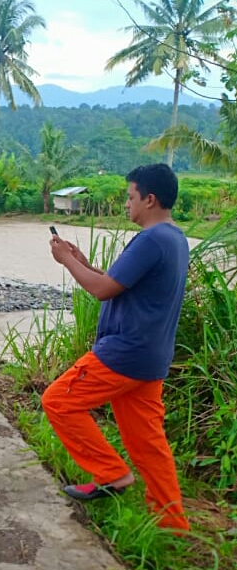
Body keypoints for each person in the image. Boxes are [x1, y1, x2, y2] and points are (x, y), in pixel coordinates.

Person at [42, 162, 190, 532]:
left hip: (124, 353)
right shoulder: (175, 238)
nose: (127, 204)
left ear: (150, 199)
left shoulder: (152, 240)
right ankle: (171, 523)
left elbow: (102, 290)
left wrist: (64, 263)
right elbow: (115, 282)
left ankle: (111, 474)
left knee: (58, 401)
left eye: (130, 197)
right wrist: (80, 261)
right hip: (151, 358)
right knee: (147, 442)